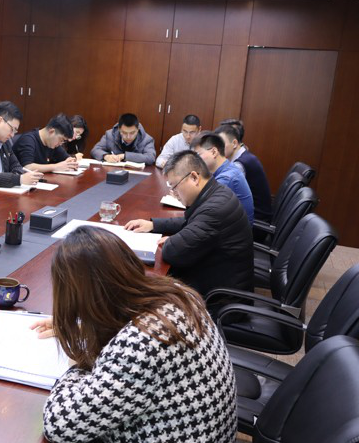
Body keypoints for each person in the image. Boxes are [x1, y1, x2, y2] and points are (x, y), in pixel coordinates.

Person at [32, 226, 236, 442]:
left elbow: (59, 426)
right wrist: (84, 326)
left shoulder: (139, 346)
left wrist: (76, 366)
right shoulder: (177, 294)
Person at [125, 150, 253, 300]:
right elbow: (191, 221)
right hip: (217, 279)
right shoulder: (216, 192)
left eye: (174, 186)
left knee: (143, 290)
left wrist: (173, 240)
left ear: (194, 177)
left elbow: (173, 253)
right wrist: (153, 225)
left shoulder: (214, 209)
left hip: (219, 299)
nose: (174, 193)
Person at [191, 132, 255, 223]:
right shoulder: (226, 168)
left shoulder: (227, 178)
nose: (195, 161)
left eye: (198, 155)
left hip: (232, 230)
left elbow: (201, 207)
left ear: (214, 152)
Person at [216, 124, 272, 223]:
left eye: (221, 144)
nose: (217, 149)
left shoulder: (239, 165)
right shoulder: (245, 156)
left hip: (256, 221)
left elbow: (222, 195)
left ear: (234, 143)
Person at [12, 113, 78, 173]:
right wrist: (56, 166)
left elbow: (66, 158)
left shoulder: (52, 143)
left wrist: (71, 162)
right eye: (61, 140)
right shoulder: (28, 140)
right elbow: (27, 167)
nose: (61, 143)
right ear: (51, 131)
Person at [90, 113, 156, 165]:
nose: (128, 137)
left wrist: (124, 156)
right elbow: (95, 150)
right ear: (119, 129)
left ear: (138, 130)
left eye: (132, 133)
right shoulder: (110, 135)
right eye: (124, 133)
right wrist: (106, 156)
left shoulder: (147, 139)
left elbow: (151, 158)